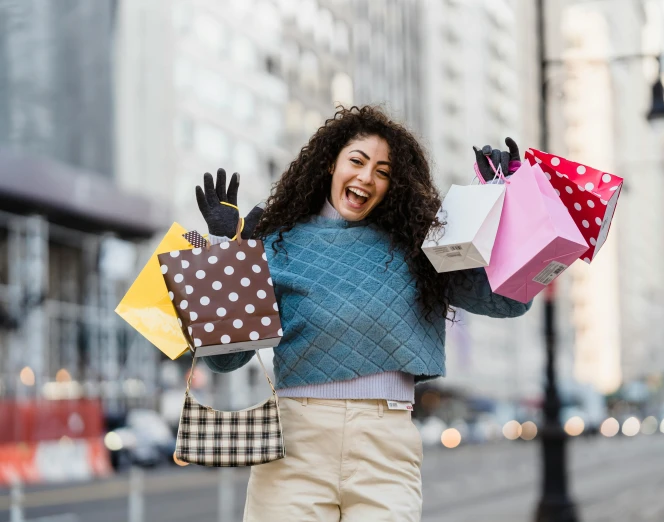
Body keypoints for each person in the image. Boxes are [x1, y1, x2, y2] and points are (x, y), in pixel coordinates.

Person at [194, 105, 532, 521]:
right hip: (294, 446)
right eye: (356, 161)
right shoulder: (276, 242)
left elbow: (508, 300)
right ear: (329, 164)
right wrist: (229, 251)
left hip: (385, 448)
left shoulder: (422, 243)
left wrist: (514, 202)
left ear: (395, 184)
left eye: (383, 171)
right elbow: (226, 360)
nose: (366, 177)